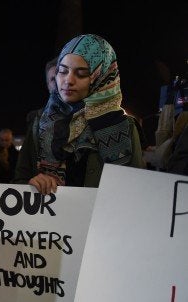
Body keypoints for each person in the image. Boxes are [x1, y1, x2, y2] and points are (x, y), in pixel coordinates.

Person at [13, 34, 145, 194]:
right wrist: (31, 183)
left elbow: (136, 191)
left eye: (81, 74)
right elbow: (19, 180)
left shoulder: (122, 126)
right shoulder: (40, 122)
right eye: (62, 71)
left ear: (100, 78)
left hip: (101, 218)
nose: (68, 80)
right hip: (49, 217)